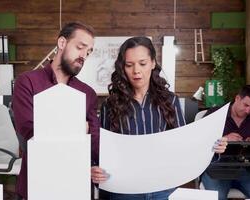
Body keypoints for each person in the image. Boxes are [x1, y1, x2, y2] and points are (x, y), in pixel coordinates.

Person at [91, 36, 227, 200]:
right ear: (122, 67)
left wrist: (213, 148)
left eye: (142, 63)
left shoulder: (170, 101)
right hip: (125, 190)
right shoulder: (110, 105)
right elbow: (101, 150)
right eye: (129, 65)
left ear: (153, 63)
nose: (136, 71)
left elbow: (184, 145)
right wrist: (94, 168)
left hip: (163, 189)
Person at [12, 21, 100, 200]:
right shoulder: (27, 82)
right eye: (80, 47)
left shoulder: (88, 93)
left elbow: (94, 140)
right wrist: (78, 129)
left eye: (88, 52)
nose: (84, 55)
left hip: (77, 184)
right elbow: (29, 131)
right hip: (37, 182)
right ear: (62, 43)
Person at [201, 85, 250, 200]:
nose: (248, 111)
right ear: (237, 98)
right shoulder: (215, 113)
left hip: (244, 169)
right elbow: (199, 142)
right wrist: (223, 138)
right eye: (246, 105)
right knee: (218, 197)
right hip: (215, 169)